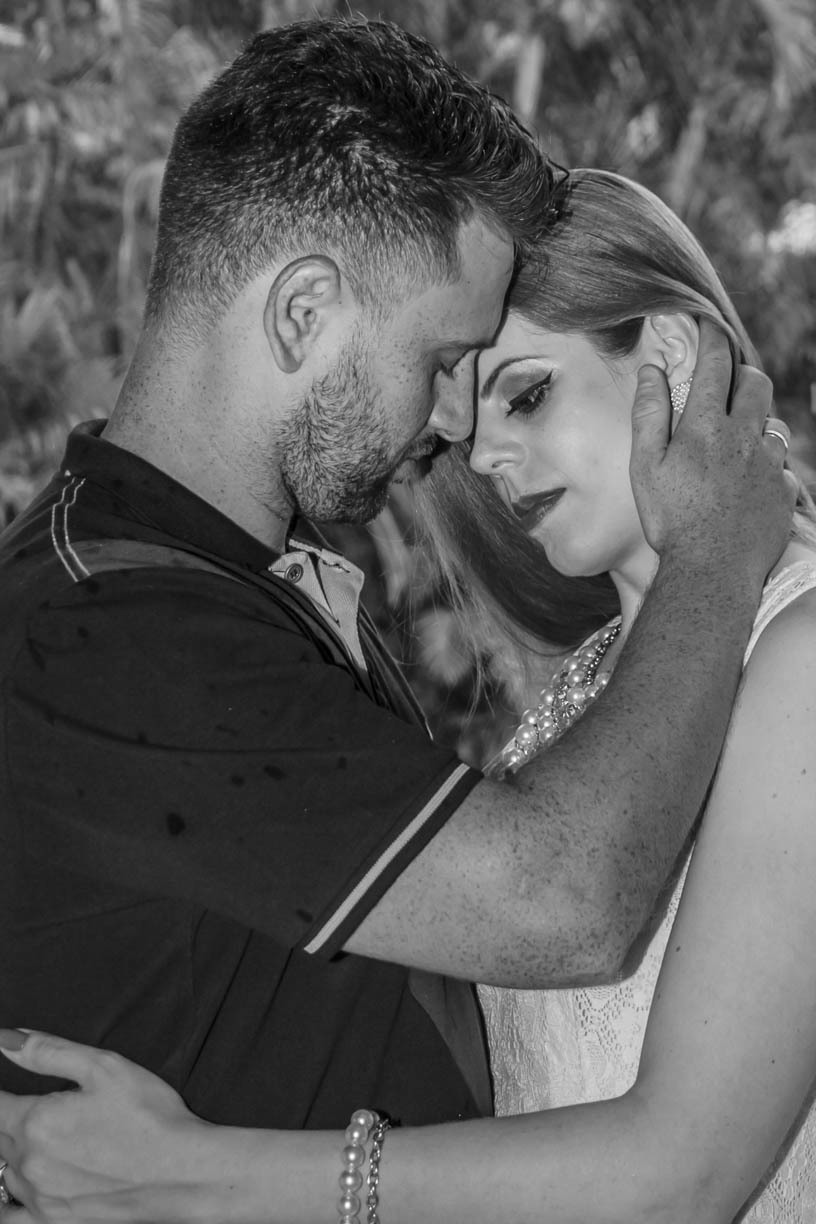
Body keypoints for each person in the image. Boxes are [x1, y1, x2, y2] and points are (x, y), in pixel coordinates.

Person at [0, 13, 796, 1214]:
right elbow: (565, 898)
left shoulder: (241, 587)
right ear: (302, 313)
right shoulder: (113, 625)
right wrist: (715, 554)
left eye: (514, 387)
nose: (455, 429)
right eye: (441, 360)